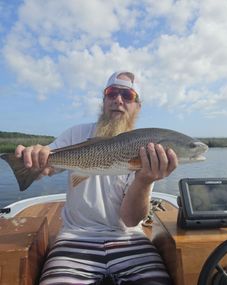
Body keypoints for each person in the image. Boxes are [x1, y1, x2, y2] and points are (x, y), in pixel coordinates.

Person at [15, 71, 178, 285]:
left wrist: (144, 180)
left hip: (128, 238)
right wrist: (33, 159)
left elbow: (130, 220)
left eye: (127, 96)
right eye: (112, 93)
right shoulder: (76, 133)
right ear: (104, 101)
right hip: (75, 238)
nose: (118, 100)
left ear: (137, 106)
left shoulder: (147, 147)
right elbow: (46, 166)